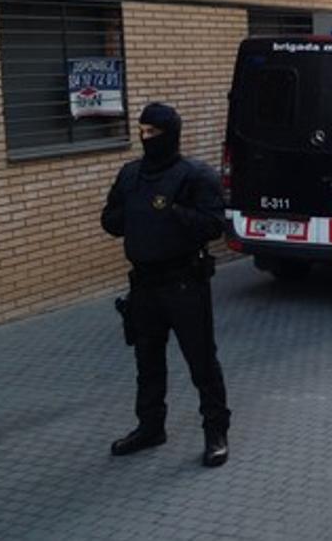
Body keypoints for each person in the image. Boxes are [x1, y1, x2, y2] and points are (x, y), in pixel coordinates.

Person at [101, 102, 231, 468]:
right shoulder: (130, 175)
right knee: (148, 362)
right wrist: (133, 214)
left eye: (153, 133)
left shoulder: (194, 175)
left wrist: (172, 214)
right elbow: (109, 220)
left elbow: (213, 224)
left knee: (202, 362)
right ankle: (150, 426)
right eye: (141, 132)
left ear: (170, 135)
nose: (146, 139)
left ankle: (216, 431)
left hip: (184, 285)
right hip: (144, 286)